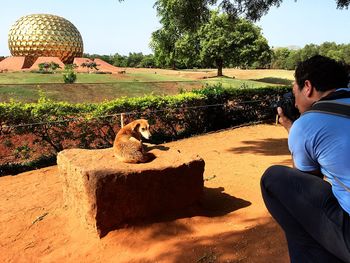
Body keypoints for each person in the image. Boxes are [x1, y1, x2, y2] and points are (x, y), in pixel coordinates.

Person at [260, 55, 350, 263]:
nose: (296, 102)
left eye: (294, 92)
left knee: (273, 178)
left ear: (307, 87)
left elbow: (308, 185)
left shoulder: (307, 124)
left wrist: (294, 130)